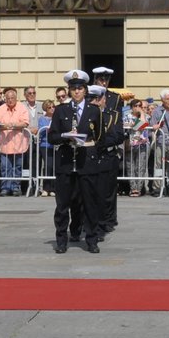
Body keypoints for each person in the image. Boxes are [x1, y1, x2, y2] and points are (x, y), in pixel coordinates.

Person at [49, 70, 100, 252]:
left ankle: (91, 239)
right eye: (73, 88)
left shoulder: (93, 110)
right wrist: (65, 137)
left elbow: (99, 135)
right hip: (66, 161)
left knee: (89, 203)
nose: (76, 92)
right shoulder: (61, 110)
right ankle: (61, 240)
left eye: (80, 88)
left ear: (85, 90)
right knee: (63, 204)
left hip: (86, 161)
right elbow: (52, 136)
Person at [90, 67, 125, 228]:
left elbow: (116, 122)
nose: (103, 82)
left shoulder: (115, 98)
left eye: (106, 79)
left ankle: (110, 218)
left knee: (110, 189)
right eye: (100, 79)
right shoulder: (89, 95)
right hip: (92, 149)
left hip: (108, 144)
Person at [0, 86, 32, 196]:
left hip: (19, 144)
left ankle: (15, 187)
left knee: (17, 167)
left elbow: (25, 123)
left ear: (16, 98)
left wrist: (13, 125)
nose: (10, 100)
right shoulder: (1, 109)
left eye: (12, 98)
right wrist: (4, 126)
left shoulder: (22, 108)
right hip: (5, 145)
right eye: (8, 98)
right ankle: (5, 188)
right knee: (5, 167)